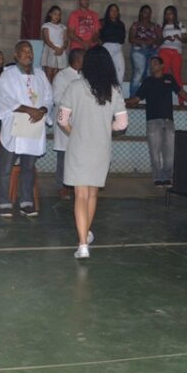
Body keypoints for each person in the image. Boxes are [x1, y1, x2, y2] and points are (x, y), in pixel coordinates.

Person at [59, 47, 128, 259]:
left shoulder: (74, 86)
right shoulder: (114, 90)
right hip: (101, 148)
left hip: (79, 147)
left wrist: (74, 132)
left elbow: (62, 119)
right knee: (92, 194)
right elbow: (122, 124)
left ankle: (82, 244)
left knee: (80, 195)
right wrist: (105, 129)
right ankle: (86, 234)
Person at [0, 40, 53, 218]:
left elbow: (49, 98)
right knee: (6, 167)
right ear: (16, 54)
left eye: (31, 51)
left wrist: (42, 110)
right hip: (14, 126)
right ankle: (4, 201)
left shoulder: (41, 75)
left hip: (34, 126)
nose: (29, 54)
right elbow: (5, 98)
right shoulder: (8, 75)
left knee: (28, 167)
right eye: (25, 51)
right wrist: (29, 110)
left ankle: (26, 202)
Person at [126, 56, 187, 187]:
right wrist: (121, 102)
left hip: (168, 121)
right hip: (153, 121)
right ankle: (157, 178)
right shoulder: (147, 81)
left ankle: (167, 177)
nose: (152, 66)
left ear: (162, 66)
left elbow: (181, 92)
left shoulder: (169, 79)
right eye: (151, 64)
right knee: (154, 152)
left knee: (170, 153)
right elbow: (137, 98)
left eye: (155, 63)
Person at [52, 48, 84, 199]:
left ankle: (75, 185)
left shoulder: (85, 76)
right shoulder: (62, 76)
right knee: (64, 157)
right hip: (67, 120)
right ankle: (62, 186)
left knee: (78, 156)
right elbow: (57, 98)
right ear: (77, 60)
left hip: (81, 121)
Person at [128, 4, 161, 96]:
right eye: (145, 12)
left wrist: (153, 41)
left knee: (149, 75)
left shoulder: (155, 26)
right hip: (139, 51)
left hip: (153, 51)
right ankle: (133, 98)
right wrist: (144, 42)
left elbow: (161, 39)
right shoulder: (136, 25)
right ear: (141, 13)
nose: (147, 14)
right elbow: (131, 39)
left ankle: (147, 98)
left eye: (149, 13)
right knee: (138, 73)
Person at [157, 5, 187, 86]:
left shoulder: (180, 25)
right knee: (163, 73)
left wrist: (179, 38)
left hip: (176, 52)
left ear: (174, 14)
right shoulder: (162, 26)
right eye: (166, 14)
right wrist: (166, 38)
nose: (168, 16)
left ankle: (180, 94)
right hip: (164, 51)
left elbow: (185, 40)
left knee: (177, 75)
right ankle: (162, 93)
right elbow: (158, 42)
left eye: (170, 13)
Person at [100, 3, 126, 83]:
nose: (114, 12)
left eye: (116, 11)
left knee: (120, 71)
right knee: (105, 70)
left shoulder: (121, 24)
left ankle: (117, 89)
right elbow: (98, 35)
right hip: (107, 48)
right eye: (112, 10)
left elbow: (122, 38)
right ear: (108, 12)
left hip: (118, 48)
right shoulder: (103, 22)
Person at [41, 5, 68, 81]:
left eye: (59, 15)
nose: (57, 16)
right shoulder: (46, 25)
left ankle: (54, 87)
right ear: (50, 14)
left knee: (57, 74)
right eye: (55, 14)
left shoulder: (63, 27)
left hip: (60, 50)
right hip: (51, 49)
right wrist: (55, 48)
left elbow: (65, 40)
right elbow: (47, 40)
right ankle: (47, 86)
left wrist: (61, 49)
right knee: (49, 72)